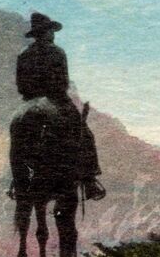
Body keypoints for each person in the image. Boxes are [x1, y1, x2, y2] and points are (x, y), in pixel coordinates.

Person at [15, 12, 105, 200]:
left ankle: (16, 184)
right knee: (85, 133)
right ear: (45, 32)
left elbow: (20, 85)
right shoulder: (57, 52)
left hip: (29, 100)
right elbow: (63, 82)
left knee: (19, 143)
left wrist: (32, 96)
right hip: (55, 99)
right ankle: (90, 181)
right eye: (50, 31)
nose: (53, 35)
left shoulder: (23, 55)